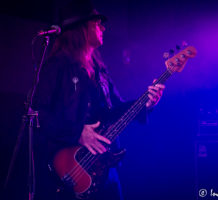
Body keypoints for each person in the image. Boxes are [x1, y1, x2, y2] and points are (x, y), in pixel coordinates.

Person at [32, 0, 165, 200]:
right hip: (69, 167)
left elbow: (116, 109)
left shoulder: (99, 68)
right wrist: (77, 133)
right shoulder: (57, 65)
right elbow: (38, 114)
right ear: (82, 28)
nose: (103, 27)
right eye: (97, 23)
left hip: (102, 164)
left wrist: (145, 103)